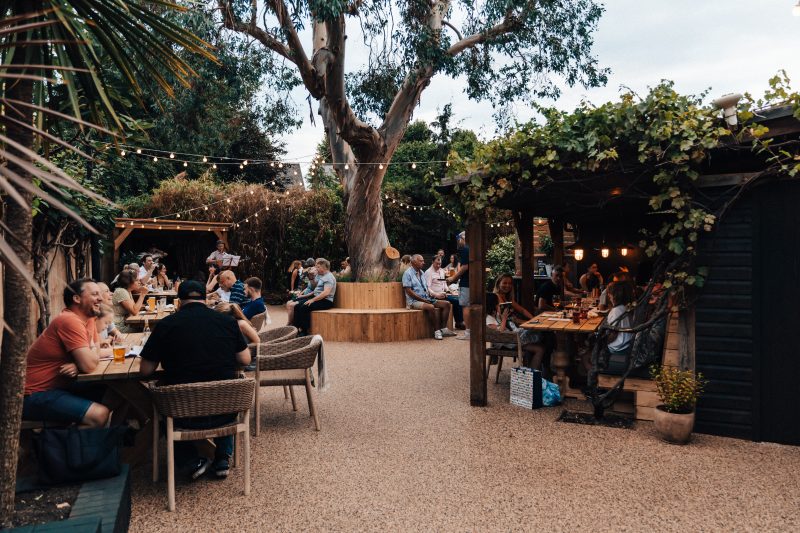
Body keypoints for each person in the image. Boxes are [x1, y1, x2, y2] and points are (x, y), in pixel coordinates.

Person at [139, 280, 251, 480]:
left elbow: (146, 370)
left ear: (179, 301)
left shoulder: (166, 325)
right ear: (206, 299)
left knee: (161, 407)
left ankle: (191, 461)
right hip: (225, 412)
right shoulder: (227, 322)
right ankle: (222, 458)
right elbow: (245, 359)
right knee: (224, 388)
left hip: (182, 414)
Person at [23, 279, 110, 427]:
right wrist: (83, 362)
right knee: (99, 415)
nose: (101, 298)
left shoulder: (88, 319)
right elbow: (89, 364)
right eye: (95, 294)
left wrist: (79, 363)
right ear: (77, 298)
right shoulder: (69, 321)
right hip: (34, 394)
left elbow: (95, 351)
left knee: (115, 393)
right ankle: (63, 448)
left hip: (59, 387)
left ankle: (113, 441)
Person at [485, 292, 546, 371]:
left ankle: (533, 373)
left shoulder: (495, 316)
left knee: (540, 344)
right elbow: (500, 332)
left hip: (512, 341)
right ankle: (532, 376)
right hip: (508, 343)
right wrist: (504, 319)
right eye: (498, 304)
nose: (499, 306)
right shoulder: (489, 319)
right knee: (540, 343)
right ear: (492, 305)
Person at [403, 254, 453, 340]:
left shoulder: (422, 272)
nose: (423, 262)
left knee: (447, 304)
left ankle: (443, 329)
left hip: (426, 298)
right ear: (414, 262)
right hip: (413, 301)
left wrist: (434, 295)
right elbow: (409, 291)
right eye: (421, 261)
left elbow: (426, 288)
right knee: (430, 307)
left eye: (423, 261)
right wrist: (424, 300)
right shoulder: (407, 273)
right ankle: (436, 331)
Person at [293, 258, 337, 335]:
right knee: (297, 305)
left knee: (304, 306)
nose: (316, 269)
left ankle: (305, 331)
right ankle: (296, 328)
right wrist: (304, 296)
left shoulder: (329, 277)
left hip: (326, 301)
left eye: (318, 267)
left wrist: (313, 300)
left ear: (324, 268)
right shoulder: (323, 276)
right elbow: (316, 290)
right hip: (319, 299)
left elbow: (326, 293)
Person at [424, 255, 464, 329]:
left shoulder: (442, 271)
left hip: (443, 294)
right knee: (455, 301)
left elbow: (444, 283)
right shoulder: (428, 272)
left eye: (440, 264)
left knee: (458, 299)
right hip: (434, 296)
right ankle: (458, 322)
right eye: (437, 263)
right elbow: (427, 288)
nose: (438, 265)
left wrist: (448, 291)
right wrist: (436, 295)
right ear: (432, 262)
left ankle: (459, 322)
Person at [446, 231, 471, 340]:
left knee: (465, 306)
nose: (458, 241)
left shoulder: (465, 248)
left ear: (462, 238)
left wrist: (453, 278)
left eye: (458, 239)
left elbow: (465, 267)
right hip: (473, 281)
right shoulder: (473, 248)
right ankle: (472, 331)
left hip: (466, 282)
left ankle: (468, 333)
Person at [606, 281, 634, 355]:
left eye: (609, 293)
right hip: (627, 342)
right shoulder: (627, 307)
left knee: (589, 351)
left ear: (614, 295)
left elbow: (613, 335)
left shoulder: (615, 311)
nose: (608, 295)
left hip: (618, 347)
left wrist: (602, 342)